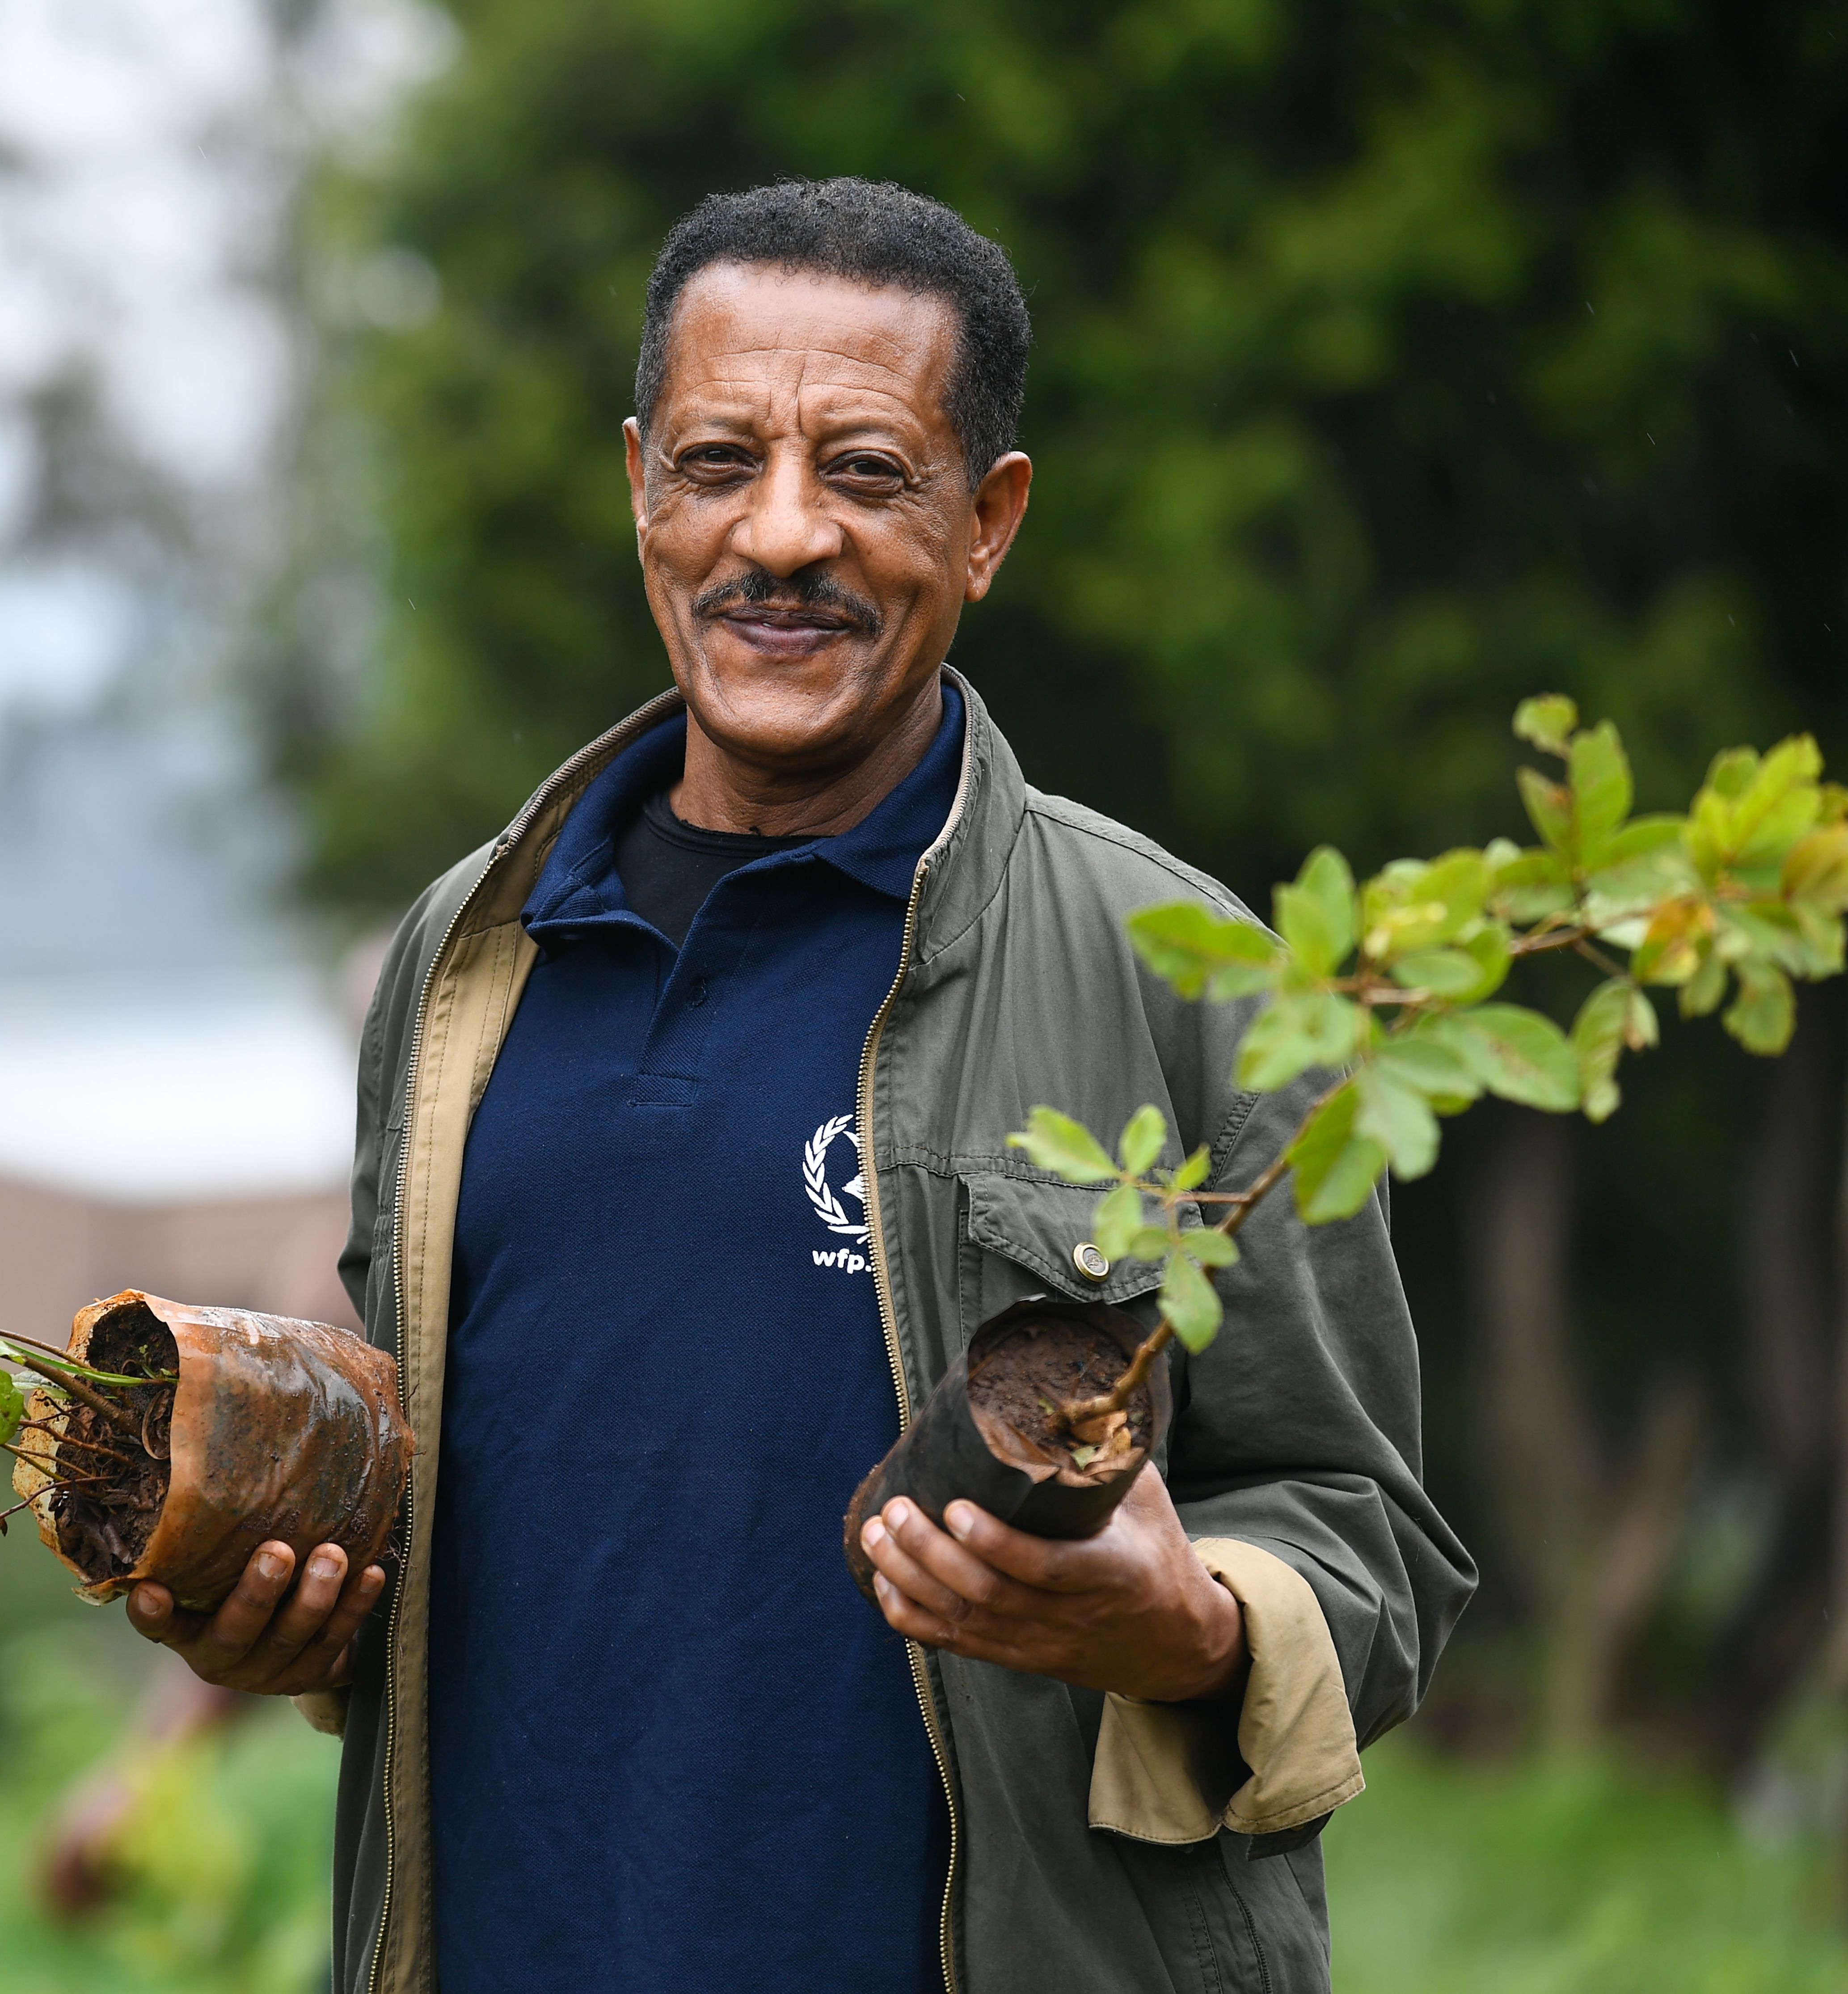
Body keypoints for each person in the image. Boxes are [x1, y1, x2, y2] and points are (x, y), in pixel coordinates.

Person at [123, 177, 1474, 1994]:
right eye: (712, 464)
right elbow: (449, 1499)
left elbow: (1366, 1529)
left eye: (863, 471)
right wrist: (271, 1605)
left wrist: (1186, 1623)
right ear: (636, 490)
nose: (778, 535)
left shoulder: (1188, 974)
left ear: (986, 522)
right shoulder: (465, 954)